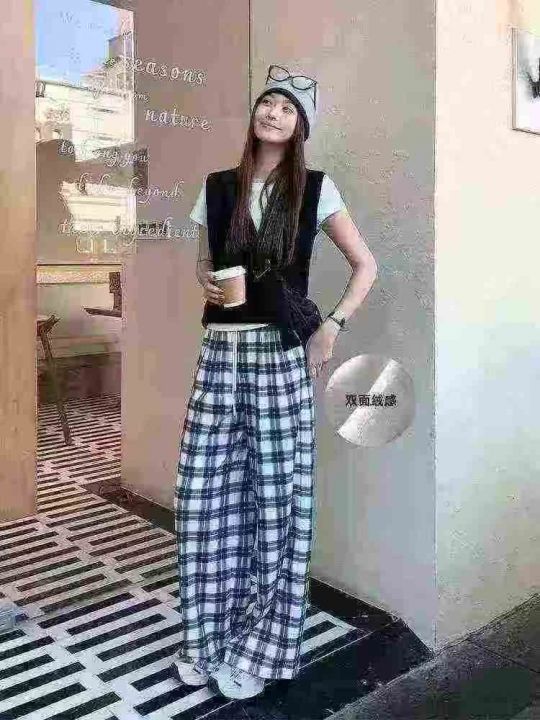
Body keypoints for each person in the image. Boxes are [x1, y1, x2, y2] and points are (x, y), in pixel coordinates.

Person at [171, 64, 377, 700]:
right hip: (220, 353)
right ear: (254, 114)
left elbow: (366, 265)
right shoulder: (217, 187)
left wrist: (331, 326)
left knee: (277, 501)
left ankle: (262, 646)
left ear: (300, 126)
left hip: (280, 356)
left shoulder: (316, 188)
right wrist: (207, 284)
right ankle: (207, 638)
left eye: (287, 108)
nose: (273, 113)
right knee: (204, 494)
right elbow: (204, 264)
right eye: (266, 102)